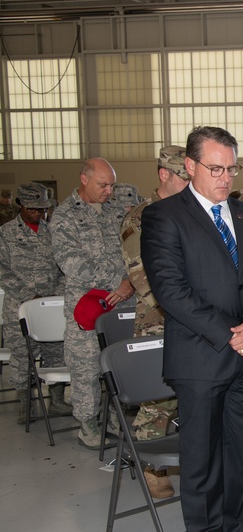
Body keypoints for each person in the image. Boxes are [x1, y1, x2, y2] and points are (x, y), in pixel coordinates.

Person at [141, 125, 243, 532]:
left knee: (241, 453)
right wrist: (231, 333)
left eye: (231, 168)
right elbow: (171, 290)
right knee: (201, 455)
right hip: (202, 357)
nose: (225, 178)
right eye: (215, 168)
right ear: (190, 165)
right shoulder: (164, 216)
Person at [50, 158, 136, 449]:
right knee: (86, 367)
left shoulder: (115, 211)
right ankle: (87, 424)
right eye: (103, 184)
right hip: (86, 306)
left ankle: (115, 419)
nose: (109, 191)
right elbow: (71, 263)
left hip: (122, 302)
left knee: (118, 363)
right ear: (84, 179)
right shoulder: (64, 216)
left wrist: (131, 281)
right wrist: (119, 282)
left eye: (112, 184)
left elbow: (132, 248)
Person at [120, 145, 190, 499]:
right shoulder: (139, 218)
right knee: (159, 400)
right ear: (164, 174)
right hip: (158, 322)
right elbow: (143, 278)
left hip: (192, 320)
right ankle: (151, 465)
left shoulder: (191, 212)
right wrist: (188, 310)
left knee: (189, 396)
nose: (189, 182)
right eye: (183, 176)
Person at [0, 183, 70, 426]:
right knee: (22, 355)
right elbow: (2, 270)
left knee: (56, 352)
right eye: (32, 209)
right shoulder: (6, 233)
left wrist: (56, 295)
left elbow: (64, 267)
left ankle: (58, 401)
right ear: (20, 205)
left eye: (42, 209)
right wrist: (27, 295)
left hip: (51, 306)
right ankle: (25, 403)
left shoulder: (52, 232)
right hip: (20, 306)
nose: (38, 213)